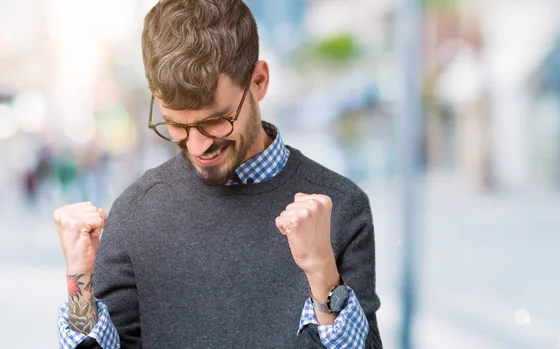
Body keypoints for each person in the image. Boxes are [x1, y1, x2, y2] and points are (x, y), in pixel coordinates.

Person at [53, 0, 382, 348]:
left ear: (259, 81)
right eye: (177, 125)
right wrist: (79, 279)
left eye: (214, 121)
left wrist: (322, 273)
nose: (197, 146)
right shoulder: (136, 211)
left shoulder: (340, 208)